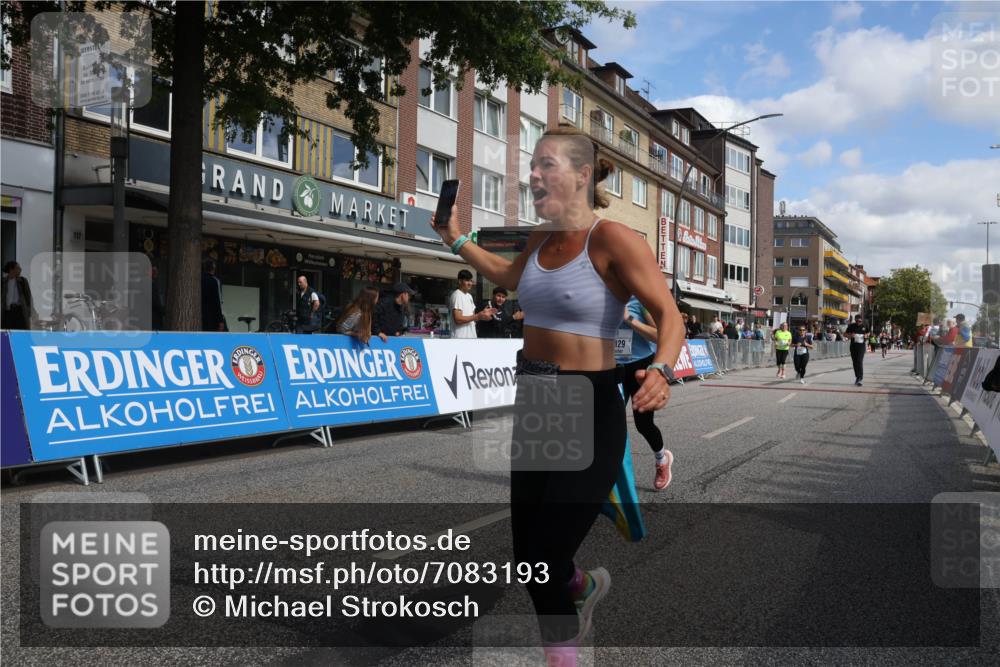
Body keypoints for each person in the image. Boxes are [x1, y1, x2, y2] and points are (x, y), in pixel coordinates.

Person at [432, 125, 685, 660]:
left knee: (545, 555)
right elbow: (507, 273)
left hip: (589, 402)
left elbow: (669, 316)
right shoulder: (541, 239)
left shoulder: (615, 240)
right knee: (530, 556)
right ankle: (581, 587)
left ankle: (563, 650)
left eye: (548, 163)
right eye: (535, 164)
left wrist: (661, 369)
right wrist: (453, 236)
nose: (536, 174)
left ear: (582, 174)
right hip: (538, 397)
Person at [620, 296, 674, 491]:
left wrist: (629, 320)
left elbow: (660, 335)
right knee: (608, 423)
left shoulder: (640, 299)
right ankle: (609, 477)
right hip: (612, 365)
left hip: (640, 365)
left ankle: (662, 459)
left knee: (643, 424)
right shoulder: (603, 293)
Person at [448, 269, 494, 338]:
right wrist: (478, 316)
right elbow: (458, 319)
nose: (470, 283)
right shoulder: (457, 295)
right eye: (467, 280)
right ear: (460, 281)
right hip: (460, 339)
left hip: (471, 337)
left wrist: (483, 315)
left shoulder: (469, 296)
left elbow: (472, 317)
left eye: (471, 280)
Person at [2, 261, 35, 330]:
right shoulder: (3, 282)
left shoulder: (22, 281)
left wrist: (32, 311)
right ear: (11, 269)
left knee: (20, 331)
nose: (20, 269)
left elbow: (28, 297)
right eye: (18, 268)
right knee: (6, 332)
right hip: (7, 312)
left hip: (19, 311)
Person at [201, 259, 227, 332]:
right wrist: (220, 320)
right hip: (212, 317)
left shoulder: (199, 279)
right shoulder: (214, 281)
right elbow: (217, 301)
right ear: (213, 269)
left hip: (201, 315)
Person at [845, 314, 869, 386]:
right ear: (855, 320)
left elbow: (869, 333)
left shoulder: (864, 326)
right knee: (855, 362)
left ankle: (860, 378)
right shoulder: (851, 326)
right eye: (857, 321)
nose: (858, 322)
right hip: (853, 346)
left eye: (860, 321)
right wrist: (850, 336)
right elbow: (845, 334)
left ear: (862, 320)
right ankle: (857, 377)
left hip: (861, 346)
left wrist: (866, 335)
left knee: (859, 361)